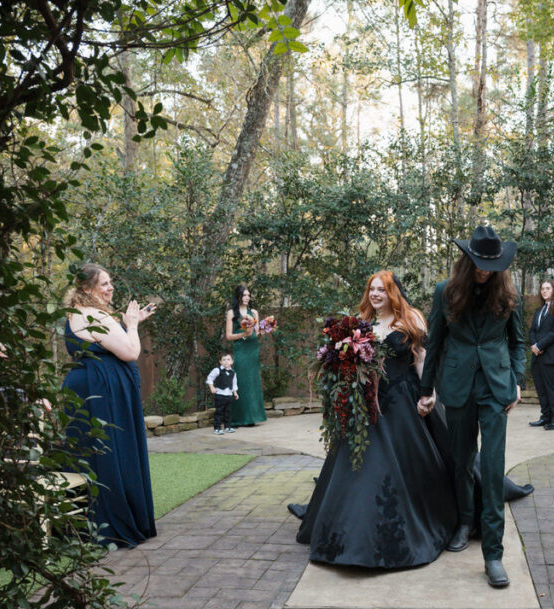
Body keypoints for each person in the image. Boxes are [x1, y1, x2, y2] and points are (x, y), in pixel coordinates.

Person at [293, 271, 457, 568]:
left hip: (401, 401)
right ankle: (350, 532)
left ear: (393, 293)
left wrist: (428, 393)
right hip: (365, 402)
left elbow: (421, 357)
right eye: (372, 289)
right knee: (358, 465)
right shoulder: (361, 322)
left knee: (404, 462)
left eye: (382, 289)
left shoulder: (410, 319)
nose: (376, 294)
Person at [417, 225, 526, 589]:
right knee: (462, 461)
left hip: (496, 390)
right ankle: (465, 522)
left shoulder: (509, 294)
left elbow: (518, 343)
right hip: (457, 387)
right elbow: (434, 343)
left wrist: (517, 381)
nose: (484, 271)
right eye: (479, 264)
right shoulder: (445, 293)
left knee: (492, 470)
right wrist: (426, 389)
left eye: (491, 266)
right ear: (467, 260)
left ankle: (493, 555)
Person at [62, 263, 157, 548]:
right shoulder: (94, 315)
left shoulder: (76, 313)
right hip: (101, 392)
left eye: (110, 282)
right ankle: (113, 523)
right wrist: (132, 325)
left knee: (92, 453)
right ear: (86, 288)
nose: (110, 287)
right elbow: (129, 351)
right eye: (104, 283)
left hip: (88, 388)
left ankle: (86, 521)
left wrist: (128, 323)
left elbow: (108, 343)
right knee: (110, 451)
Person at [528, 279, 554, 431]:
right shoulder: (539, 310)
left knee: (553, 388)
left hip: (551, 356)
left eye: (548, 288)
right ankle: (546, 416)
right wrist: (535, 345)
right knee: (541, 388)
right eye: (542, 289)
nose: (544, 291)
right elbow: (532, 330)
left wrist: (540, 345)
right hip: (537, 355)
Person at [224, 285, 267, 427]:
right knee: (241, 380)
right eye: (244, 295)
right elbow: (229, 336)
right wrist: (244, 334)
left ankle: (252, 418)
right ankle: (238, 418)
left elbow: (257, 333)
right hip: (240, 348)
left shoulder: (254, 312)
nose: (247, 298)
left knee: (252, 381)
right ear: (238, 296)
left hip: (252, 348)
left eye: (248, 295)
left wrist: (264, 331)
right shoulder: (231, 313)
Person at [206, 353, 239, 435]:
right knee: (219, 412)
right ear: (220, 361)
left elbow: (234, 384)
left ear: (232, 362)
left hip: (229, 396)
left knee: (228, 412)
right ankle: (217, 428)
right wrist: (212, 387)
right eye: (224, 360)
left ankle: (228, 426)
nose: (226, 361)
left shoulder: (233, 372)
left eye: (228, 359)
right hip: (220, 395)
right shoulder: (217, 370)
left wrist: (235, 393)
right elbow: (210, 378)